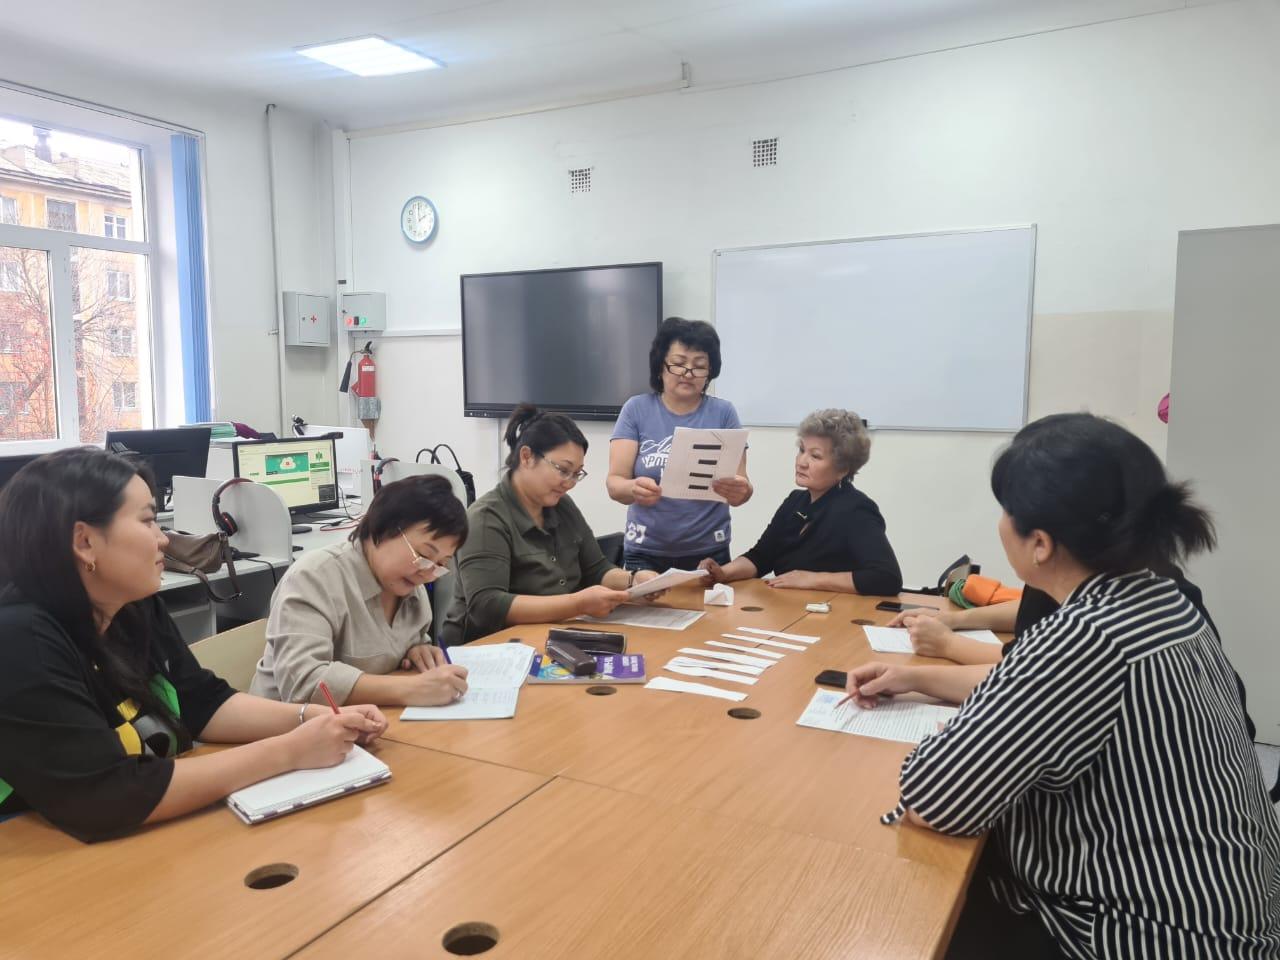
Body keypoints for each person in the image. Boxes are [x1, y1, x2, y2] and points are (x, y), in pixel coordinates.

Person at [847, 413, 1280, 959]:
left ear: (1041, 543)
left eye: (1005, 509)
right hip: (1227, 910)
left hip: (1143, 934)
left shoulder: (1083, 637)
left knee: (888, 904)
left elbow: (936, 799)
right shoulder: (1159, 597)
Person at [0, 448, 387, 843]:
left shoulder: (130, 603)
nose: (163, 539)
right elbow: (106, 794)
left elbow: (201, 703)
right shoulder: (19, 640)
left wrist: (310, 718)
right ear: (84, 542)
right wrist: (290, 751)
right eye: (147, 521)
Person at [441, 405, 660, 645]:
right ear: (526, 457)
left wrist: (634, 580)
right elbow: (487, 606)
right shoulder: (486, 518)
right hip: (488, 648)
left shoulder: (562, 506)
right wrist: (577, 604)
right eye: (563, 470)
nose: (570, 483)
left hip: (553, 637)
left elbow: (596, 569)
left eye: (577, 474)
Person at [251, 474, 470, 707]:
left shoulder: (409, 586)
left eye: (440, 564)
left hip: (366, 720)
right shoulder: (314, 578)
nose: (427, 574)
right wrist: (411, 688)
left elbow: (403, 645)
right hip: (285, 725)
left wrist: (418, 651)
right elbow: (304, 683)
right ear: (382, 527)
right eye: (424, 555)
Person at [698, 409, 902, 594]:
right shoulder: (795, 501)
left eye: (815, 456)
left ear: (842, 469)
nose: (802, 462)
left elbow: (886, 578)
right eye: (802, 450)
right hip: (789, 608)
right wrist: (722, 573)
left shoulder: (856, 509)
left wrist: (813, 579)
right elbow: (761, 557)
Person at [607, 317, 752, 571]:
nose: (688, 373)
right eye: (678, 364)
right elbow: (615, 483)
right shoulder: (636, 409)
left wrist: (742, 490)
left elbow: (743, 486)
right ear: (660, 366)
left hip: (709, 551)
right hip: (645, 551)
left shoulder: (724, 413)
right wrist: (633, 488)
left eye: (699, 366)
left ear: (710, 372)